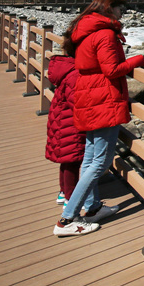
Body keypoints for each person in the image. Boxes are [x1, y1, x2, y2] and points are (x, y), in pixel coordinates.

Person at [53, 0, 144, 236]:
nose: (122, 13)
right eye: (120, 9)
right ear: (110, 9)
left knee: (90, 157)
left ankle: (93, 207)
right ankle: (67, 219)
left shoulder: (85, 30)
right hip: (103, 99)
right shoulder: (105, 33)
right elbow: (112, 69)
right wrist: (139, 60)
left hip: (90, 96)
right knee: (100, 161)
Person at [45, 54, 85, 208]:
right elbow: (77, 101)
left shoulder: (66, 69)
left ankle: (63, 192)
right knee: (72, 162)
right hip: (70, 125)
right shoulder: (75, 74)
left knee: (66, 161)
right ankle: (71, 199)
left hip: (61, 122)